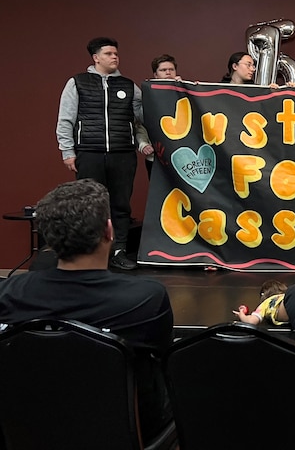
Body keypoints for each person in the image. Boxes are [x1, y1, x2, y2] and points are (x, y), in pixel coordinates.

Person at [0, 179, 174, 441]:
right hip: (121, 435)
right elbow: (161, 361)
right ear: (108, 231)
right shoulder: (145, 299)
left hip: (31, 435)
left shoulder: (10, 293)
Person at [56, 37, 142, 270]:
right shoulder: (77, 83)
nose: (114, 57)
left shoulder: (128, 85)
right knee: (89, 204)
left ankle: (119, 251)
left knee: (121, 205)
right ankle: (90, 253)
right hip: (89, 152)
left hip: (122, 153)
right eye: (108, 54)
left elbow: (144, 116)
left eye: (116, 53)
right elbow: (65, 119)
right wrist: (67, 151)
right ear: (95, 58)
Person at [139, 54, 182, 176]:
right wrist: (143, 144)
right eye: (163, 70)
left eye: (171, 69)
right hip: (155, 157)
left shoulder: (184, 92)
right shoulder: (148, 97)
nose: (168, 73)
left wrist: (183, 89)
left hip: (180, 157)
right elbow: (140, 124)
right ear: (156, 75)